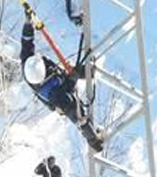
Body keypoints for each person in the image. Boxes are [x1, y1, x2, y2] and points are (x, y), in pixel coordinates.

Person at [21, 14, 104, 152]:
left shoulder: (28, 64)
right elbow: (76, 117)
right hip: (62, 93)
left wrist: (28, 23)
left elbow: (26, 42)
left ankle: (88, 72)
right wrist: (92, 139)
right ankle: (94, 136)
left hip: (59, 79)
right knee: (73, 102)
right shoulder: (55, 94)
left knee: (77, 72)